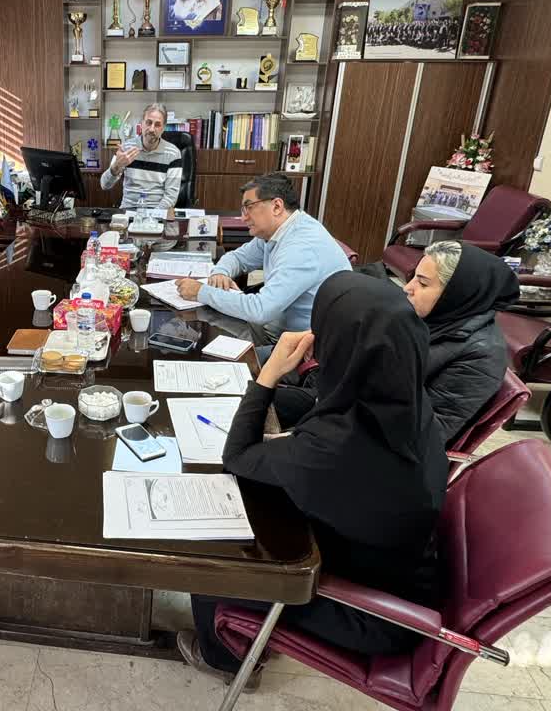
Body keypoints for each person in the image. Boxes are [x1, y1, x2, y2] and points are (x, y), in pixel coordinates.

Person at [178, 272, 448, 685]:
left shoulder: (337, 446)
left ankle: (224, 660)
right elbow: (320, 418)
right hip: (396, 568)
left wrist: (268, 375)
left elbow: (237, 458)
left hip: (372, 613)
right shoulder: (403, 399)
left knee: (208, 564)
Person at [175, 174, 350, 336]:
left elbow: (260, 310)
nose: (243, 218)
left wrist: (201, 291)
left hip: (301, 344)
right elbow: (238, 257)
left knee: (207, 342)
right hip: (277, 327)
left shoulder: (301, 247)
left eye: (249, 208)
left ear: (277, 206)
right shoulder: (278, 231)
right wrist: (220, 273)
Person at [404, 240, 518, 445]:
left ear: (457, 292)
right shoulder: (435, 320)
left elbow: (429, 433)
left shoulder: (481, 356)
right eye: (413, 278)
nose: (407, 288)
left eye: (422, 283)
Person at [100, 103, 183, 209]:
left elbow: (171, 197)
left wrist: (151, 216)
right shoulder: (126, 148)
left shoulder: (173, 154)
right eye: (148, 122)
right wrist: (116, 166)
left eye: (157, 125)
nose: (152, 129)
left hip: (157, 213)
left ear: (163, 128)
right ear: (142, 124)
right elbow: (104, 185)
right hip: (128, 211)